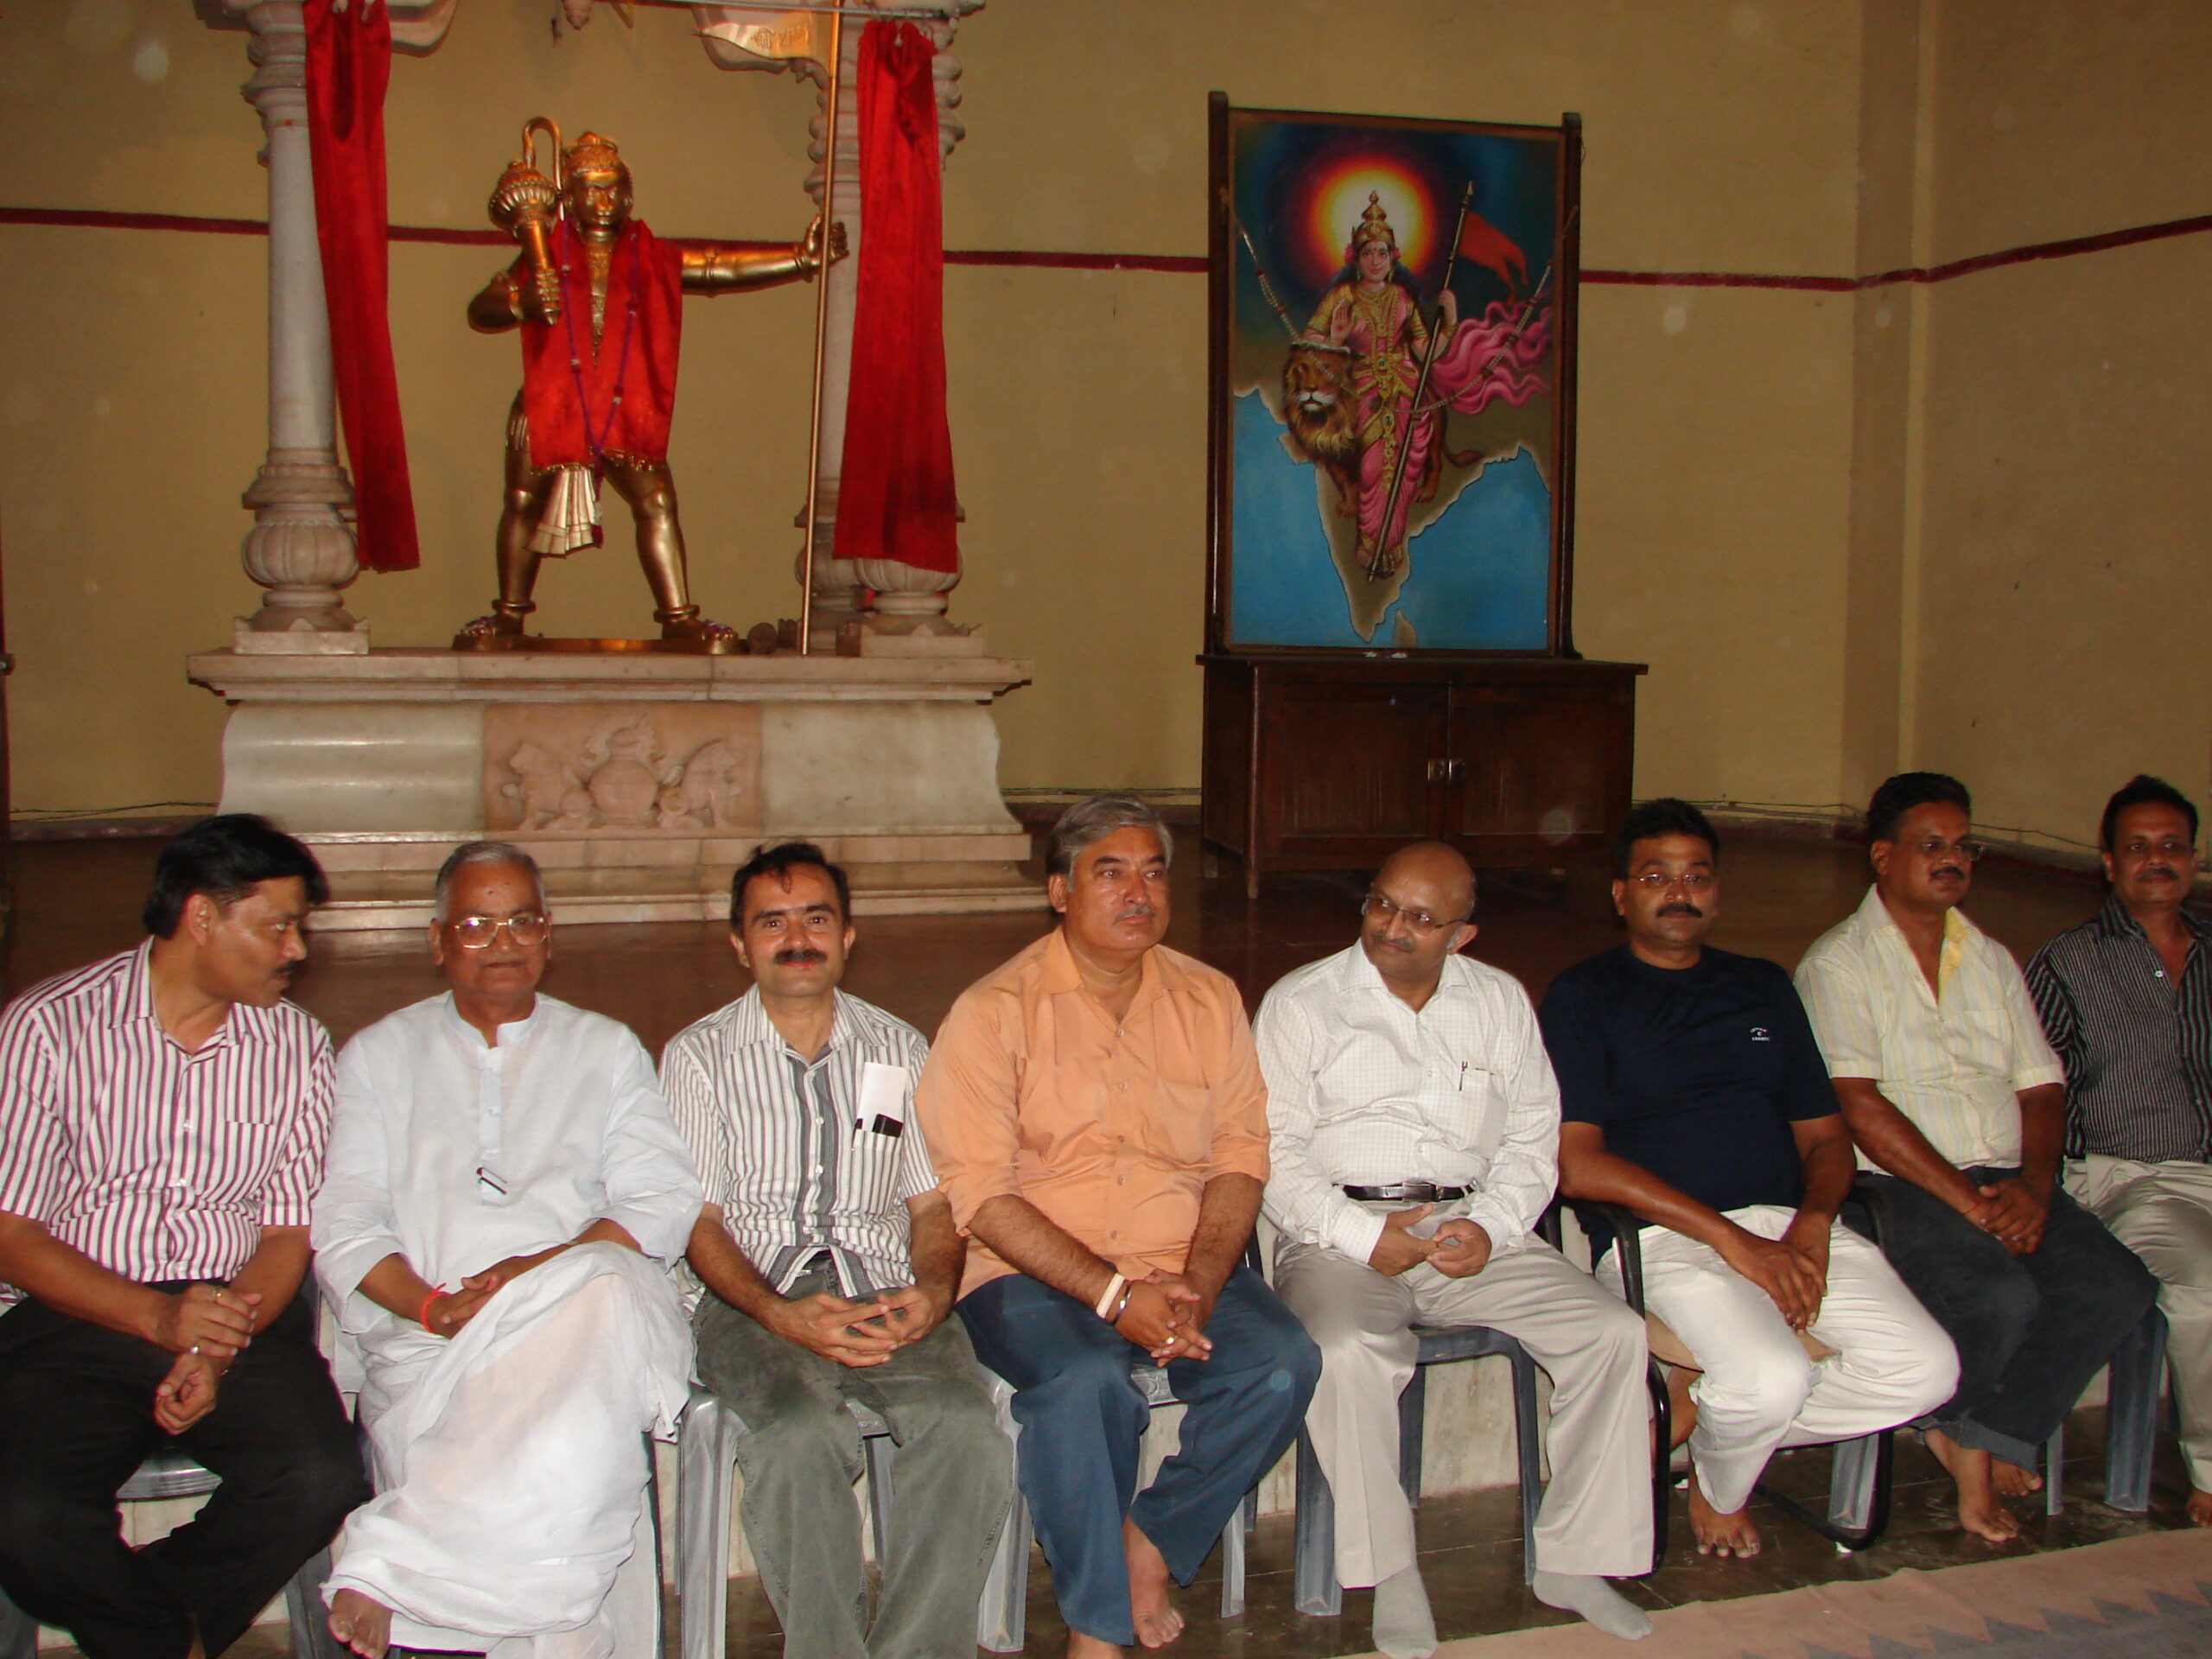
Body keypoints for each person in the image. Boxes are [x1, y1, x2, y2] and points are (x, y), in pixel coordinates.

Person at [916, 796, 1319, 1659]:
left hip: (1176, 1259)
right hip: (1032, 1273)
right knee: (1085, 1381)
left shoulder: (1208, 998)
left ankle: (1153, 1542)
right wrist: (1111, 1295)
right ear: (1060, 892)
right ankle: (1095, 1628)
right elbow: (980, 1197)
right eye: (1110, 873)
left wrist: (1201, 1281)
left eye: (1153, 873)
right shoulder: (993, 1011)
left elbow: (1240, 1155)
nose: (1138, 893)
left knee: (1282, 1363)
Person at [1259, 840, 1653, 1656]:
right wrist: (1366, 1236)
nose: (1390, 926)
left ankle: (1575, 1562)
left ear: (1461, 935)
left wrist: (1493, 1227)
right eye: (1381, 902)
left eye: (1419, 917)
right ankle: (1392, 1571)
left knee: (1612, 1332)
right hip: (1336, 1234)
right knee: (1345, 1348)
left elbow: (1534, 1139)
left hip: (1467, 1228)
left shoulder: (1498, 1001)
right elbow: (1271, 1154)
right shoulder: (1303, 1003)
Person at [311, 842, 702, 1659]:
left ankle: (396, 1558)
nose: (503, 942)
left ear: (548, 935)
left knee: (602, 1284)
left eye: (522, 922)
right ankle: (533, 1613)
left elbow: (660, 1199)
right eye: (476, 925)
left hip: (580, 1333)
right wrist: (432, 1308)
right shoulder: (378, 1056)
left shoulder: (605, 1047)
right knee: (569, 1436)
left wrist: (533, 1276)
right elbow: (346, 1224)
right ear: (437, 941)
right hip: (432, 1338)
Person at [1544, 801, 1955, 1561]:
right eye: (1657, 877)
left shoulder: (1763, 986)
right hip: (1665, 1242)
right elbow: (1579, 1164)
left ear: (1718, 892)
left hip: (1787, 1229)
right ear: (1621, 895)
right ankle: (1724, 1479)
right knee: (1769, 1378)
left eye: (1697, 877)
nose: (1680, 893)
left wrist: (1813, 1224)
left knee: (1926, 1371)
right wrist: (1734, 1241)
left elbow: (1826, 1138)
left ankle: (1713, 1424)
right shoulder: (1584, 995)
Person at [0, 814, 367, 1659]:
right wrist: (157, 1319)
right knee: (24, 1514)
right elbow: (12, 1234)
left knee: (319, 1479)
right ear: (202, 917)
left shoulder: (295, 1046)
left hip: (235, 1308)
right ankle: (173, 1644)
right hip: (79, 1312)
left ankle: (147, 1635)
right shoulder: (49, 1028)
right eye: (277, 925)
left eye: (301, 927)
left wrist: (213, 1344)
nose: (297, 949)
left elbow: (285, 1233)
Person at [662, 842, 1009, 1659]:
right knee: (795, 1436)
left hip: (882, 1287)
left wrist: (934, 1293)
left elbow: (931, 1205)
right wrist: (779, 1314)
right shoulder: (698, 1058)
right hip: (751, 1297)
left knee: (965, 1430)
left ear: (848, 935)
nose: (797, 939)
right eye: (772, 923)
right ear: (739, 944)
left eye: (816, 919)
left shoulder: (900, 1049)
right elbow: (698, 1225)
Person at [1795, 772, 2158, 1541]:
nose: (1953, 859)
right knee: (1999, 1297)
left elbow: (2042, 1087)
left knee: (2116, 1286)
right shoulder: (1839, 963)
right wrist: (1970, 1204)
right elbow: (1858, 1106)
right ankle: (1968, 1448)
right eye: (1933, 845)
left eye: (1964, 846)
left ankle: (1984, 1431)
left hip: (2004, 1180)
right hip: (1898, 1188)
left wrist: (2034, 1187)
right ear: (1883, 857)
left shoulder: (1989, 958)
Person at [463, 128, 836, 646]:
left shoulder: (651, 257)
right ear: (569, 197)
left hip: (623, 402)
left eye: (614, 188)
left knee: (657, 501)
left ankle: (679, 617)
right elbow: (481, 310)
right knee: (523, 501)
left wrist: (800, 258)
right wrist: (518, 304)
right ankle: (509, 614)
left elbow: (715, 265)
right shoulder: (541, 255)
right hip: (552, 402)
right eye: (592, 189)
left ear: (629, 195)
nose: (605, 200)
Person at [2027, 774, 2212, 1525]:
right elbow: (2036, 1090)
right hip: (2131, 1180)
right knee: (2205, 1277)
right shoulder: (2069, 962)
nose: (2156, 860)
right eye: (2138, 847)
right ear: (2109, 863)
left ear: (2194, 858)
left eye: (2172, 846)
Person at [1294, 192, 1550, 577]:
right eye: (1368, 253)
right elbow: (1309, 343)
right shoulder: (1341, 297)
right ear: (1356, 258)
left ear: (1392, 258)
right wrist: (1336, 338)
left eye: (1382, 253)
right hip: (1361, 388)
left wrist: (1450, 319)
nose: (1375, 261)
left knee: (1404, 470)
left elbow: (1425, 350)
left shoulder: (1402, 298)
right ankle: (1370, 542)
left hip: (1405, 389)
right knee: (1372, 467)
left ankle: (1391, 544)